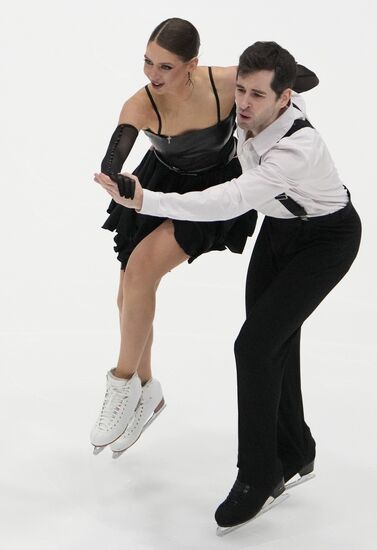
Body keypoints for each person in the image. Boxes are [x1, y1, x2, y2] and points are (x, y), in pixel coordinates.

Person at [95, 41, 361, 534]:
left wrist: (147, 199)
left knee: (254, 346)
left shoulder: (296, 149)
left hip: (326, 240)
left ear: (285, 100)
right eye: (241, 89)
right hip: (281, 230)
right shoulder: (253, 102)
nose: (243, 103)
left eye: (258, 95)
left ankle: (258, 477)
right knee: (277, 340)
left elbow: (229, 199)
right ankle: (296, 448)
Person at [90, 18, 318, 459]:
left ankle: (121, 383)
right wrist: (114, 175)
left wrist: (280, 94)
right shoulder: (141, 103)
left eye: (166, 67)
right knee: (128, 291)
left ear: (192, 65)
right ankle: (146, 390)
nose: (153, 76)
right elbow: (117, 149)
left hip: (214, 191)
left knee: (140, 272)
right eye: (148, 62)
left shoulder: (225, 82)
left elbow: (301, 77)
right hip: (161, 183)